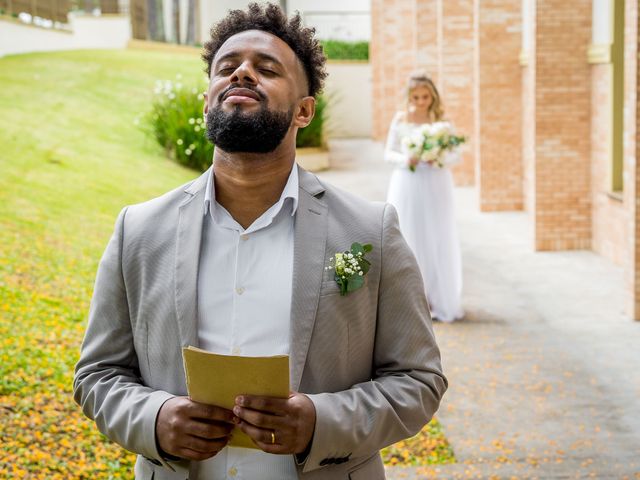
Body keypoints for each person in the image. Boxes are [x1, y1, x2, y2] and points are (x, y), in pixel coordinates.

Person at [74, 4, 447, 479]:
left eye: (267, 69)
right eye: (227, 68)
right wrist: (154, 419)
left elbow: (419, 380)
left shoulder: (370, 232)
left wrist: (320, 422)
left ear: (304, 110)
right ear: (207, 100)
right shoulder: (138, 230)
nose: (243, 73)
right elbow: (97, 375)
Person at [385, 73, 464, 323]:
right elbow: (389, 152)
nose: (421, 102)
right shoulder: (401, 119)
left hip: (436, 182)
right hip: (408, 181)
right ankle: (415, 299)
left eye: (425, 96)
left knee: (437, 235)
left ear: (433, 96)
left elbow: (456, 155)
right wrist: (406, 159)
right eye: (416, 97)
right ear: (409, 97)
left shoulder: (442, 122)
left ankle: (439, 297)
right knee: (410, 234)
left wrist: (438, 158)